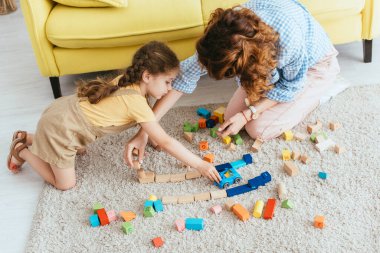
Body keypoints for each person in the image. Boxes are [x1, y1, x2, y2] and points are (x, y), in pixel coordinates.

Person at [127, 0, 340, 158]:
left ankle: (318, 93)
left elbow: (289, 86)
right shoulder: (229, 34)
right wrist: (146, 130)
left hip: (313, 67)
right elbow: (186, 76)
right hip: (269, 65)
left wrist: (248, 115)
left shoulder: (288, 43)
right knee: (231, 115)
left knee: (258, 129)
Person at [6, 41, 221, 190]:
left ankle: (30, 136)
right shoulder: (136, 103)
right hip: (61, 130)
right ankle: (23, 150)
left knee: (80, 151)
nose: (169, 88)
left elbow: (152, 132)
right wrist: (200, 165)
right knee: (64, 184)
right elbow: (165, 141)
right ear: (147, 76)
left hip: (61, 113)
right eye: (167, 82)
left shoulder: (127, 80)